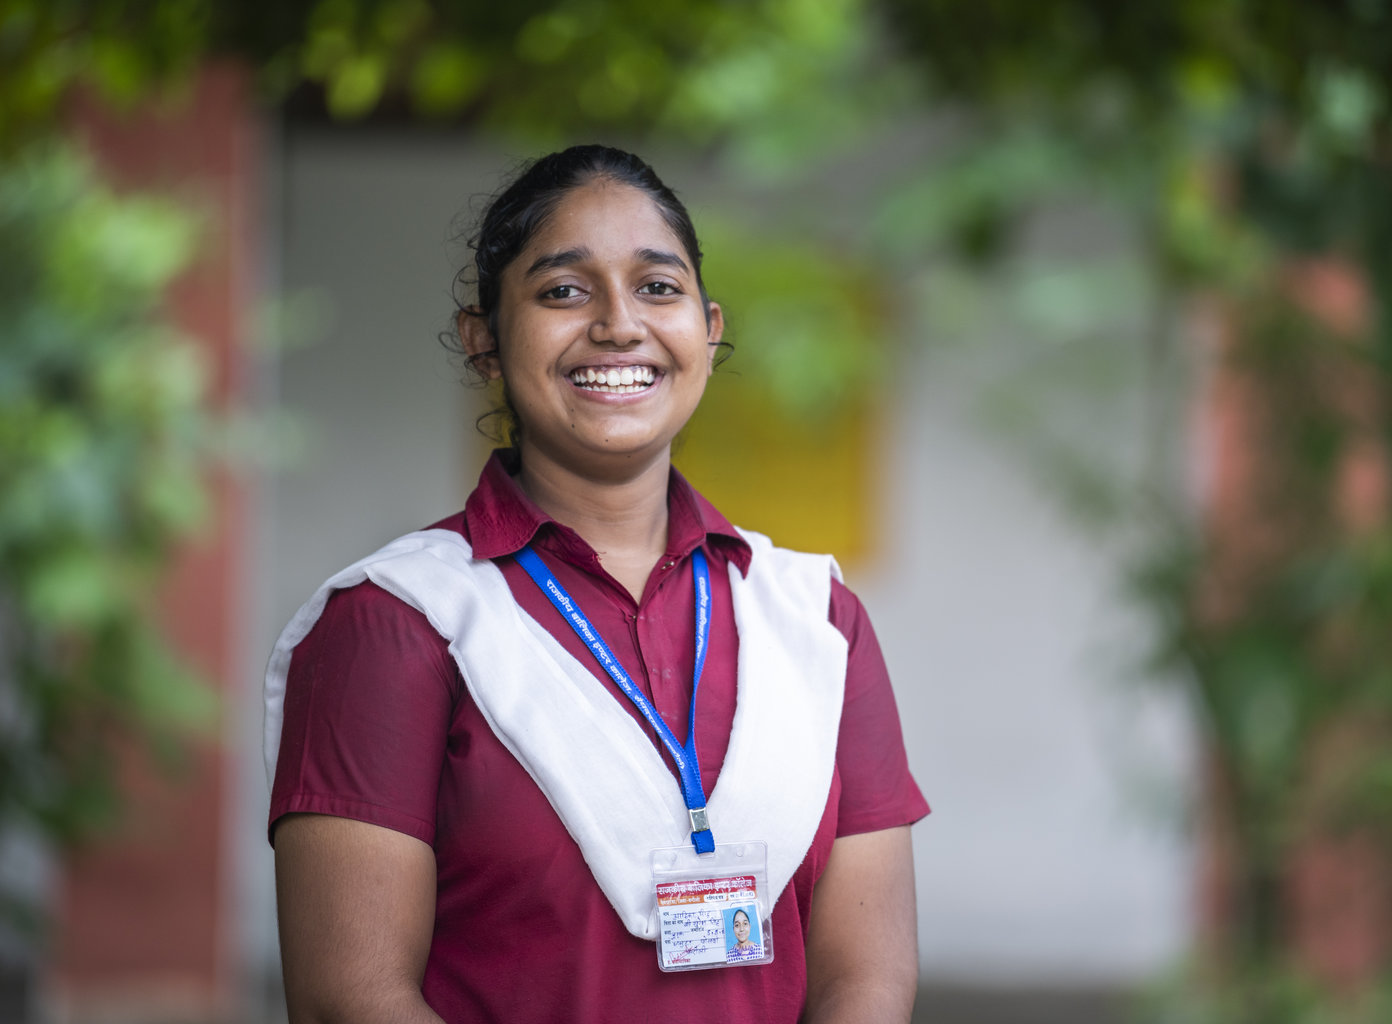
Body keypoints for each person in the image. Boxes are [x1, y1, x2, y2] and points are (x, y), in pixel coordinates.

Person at [265, 144, 928, 1024]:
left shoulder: (814, 618)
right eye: (564, 291)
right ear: (484, 341)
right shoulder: (396, 622)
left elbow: (867, 983)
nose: (620, 325)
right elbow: (351, 998)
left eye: (658, 287)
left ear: (709, 326)